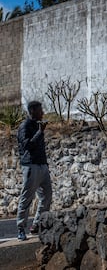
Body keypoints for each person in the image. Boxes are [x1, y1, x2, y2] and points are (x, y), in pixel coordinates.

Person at [16, 101, 52, 241]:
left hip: (42, 166)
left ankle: (37, 225)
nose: (42, 112)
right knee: (27, 197)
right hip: (31, 166)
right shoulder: (24, 126)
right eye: (40, 110)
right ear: (32, 111)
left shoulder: (38, 125)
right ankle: (20, 228)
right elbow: (27, 146)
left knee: (47, 196)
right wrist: (40, 132)